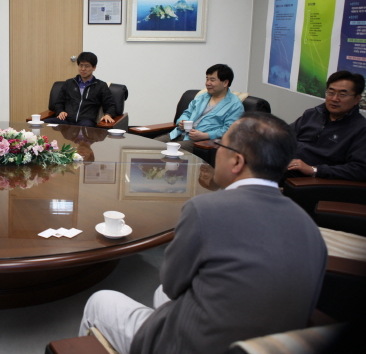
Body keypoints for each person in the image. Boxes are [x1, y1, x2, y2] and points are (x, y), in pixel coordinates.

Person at [80, 112, 327, 354]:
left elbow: (172, 285)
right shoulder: (311, 230)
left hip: (189, 345)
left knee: (100, 301)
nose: (216, 151)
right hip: (264, 344)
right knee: (159, 294)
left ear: (237, 162)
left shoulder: (206, 209)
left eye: (221, 145)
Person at [286, 71, 366, 181]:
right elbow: (284, 136)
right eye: (331, 92)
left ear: (357, 99)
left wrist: (314, 170)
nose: (334, 99)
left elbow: (360, 169)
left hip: (313, 180)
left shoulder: (361, 129)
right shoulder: (313, 114)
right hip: (287, 166)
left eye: (342, 94)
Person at [155, 64, 244, 153]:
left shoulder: (235, 105)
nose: (207, 83)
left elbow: (230, 131)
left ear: (225, 83)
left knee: (164, 151)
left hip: (198, 141)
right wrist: (182, 121)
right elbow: (187, 113)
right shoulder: (202, 97)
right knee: (149, 146)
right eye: (207, 79)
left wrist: (206, 135)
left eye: (212, 80)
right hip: (177, 133)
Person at [44, 52, 116, 127]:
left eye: (87, 66)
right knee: (42, 125)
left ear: (94, 67)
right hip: (66, 120)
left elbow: (110, 105)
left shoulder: (101, 86)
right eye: (81, 65)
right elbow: (59, 102)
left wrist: (108, 115)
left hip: (86, 122)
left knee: (84, 129)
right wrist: (60, 111)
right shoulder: (69, 83)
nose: (83, 69)